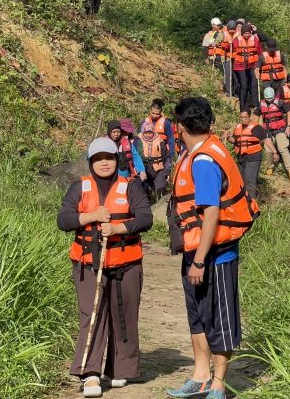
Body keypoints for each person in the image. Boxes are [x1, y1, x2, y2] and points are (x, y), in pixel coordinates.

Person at [166, 97, 259, 399]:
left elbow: (211, 214)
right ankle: (200, 375)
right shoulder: (196, 152)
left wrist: (200, 261)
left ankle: (218, 384)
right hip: (198, 252)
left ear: (180, 126)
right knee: (197, 315)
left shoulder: (204, 161)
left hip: (214, 255)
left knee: (220, 318)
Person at [57, 137, 153, 397]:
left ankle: (120, 369)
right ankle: (90, 373)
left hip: (127, 263)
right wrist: (93, 216)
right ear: (90, 162)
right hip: (88, 264)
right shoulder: (79, 188)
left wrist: (118, 228)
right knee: (92, 314)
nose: (103, 163)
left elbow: (145, 218)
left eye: (108, 158)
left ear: (116, 160)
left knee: (124, 316)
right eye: (97, 159)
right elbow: (64, 220)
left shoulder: (131, 187)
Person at [222, 110, 266, 200]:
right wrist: (228, 137)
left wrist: (274, 152)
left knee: (250, 180)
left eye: (245, 117)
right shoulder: (238, 127)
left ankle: (252, 202)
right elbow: (235, 141)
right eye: (241, 117)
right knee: (242, 180)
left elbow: (264, 140)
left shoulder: (256, 128)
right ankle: (246, 200)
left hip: (253, 156)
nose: (243, 119)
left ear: (249, 117)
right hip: (241, 157)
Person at [259, 87, 290, 184]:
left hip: (280, 129)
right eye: (268, 99)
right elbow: (256, 116)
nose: (269, 100)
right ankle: (270, 167)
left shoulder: (280, 102)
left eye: (271, 98)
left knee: (282, 148)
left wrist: (288, 126)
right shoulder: (261, 104)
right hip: (267, 130)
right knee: (268, 150)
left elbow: (288, 112)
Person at [139, 99, 176, 197]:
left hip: (161, 152)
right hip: (147, 155)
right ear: (150, 111)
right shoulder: (144, 122)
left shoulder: (166, 122)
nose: (155, 115)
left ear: (161, 112)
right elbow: (139, 139)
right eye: (153, 113)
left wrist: (171, 155)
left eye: (157, 114)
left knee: (161, 182)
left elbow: (171, 139)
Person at [230, 23, 261, 113]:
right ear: (242, 33)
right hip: (240, 65)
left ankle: (256, 106)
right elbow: (230, 48)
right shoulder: (236, 40)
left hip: (253, 65)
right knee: (244, 85)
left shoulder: (255, 40)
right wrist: (228, 45)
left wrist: (259, 66)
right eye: (245, 33)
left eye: (249, 33)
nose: (247, 35)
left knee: (254, 85)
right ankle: (242, 106)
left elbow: (259, 52)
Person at [222, 20, 238, 98]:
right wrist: (228, 45)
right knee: (228, 74)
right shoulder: (223, 34)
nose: (232, 31)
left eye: (233, 29)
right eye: (230, 29)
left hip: (236, 58)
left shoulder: (239, 34)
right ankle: (229, 91)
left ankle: (236, 91)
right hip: (227, 57)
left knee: (236, 75)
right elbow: (220, 44)